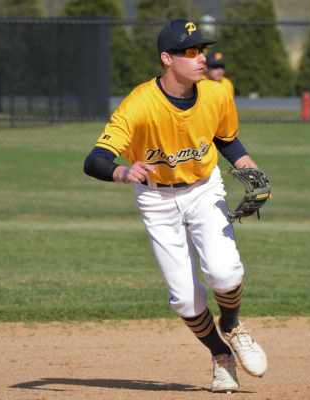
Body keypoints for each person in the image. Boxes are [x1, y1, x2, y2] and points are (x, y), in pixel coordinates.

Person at [83, 19, 267, 393]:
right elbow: (94, 159)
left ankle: (231, 325)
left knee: (224, 273)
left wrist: (249, 167)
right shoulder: (139, 104)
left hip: (203, 187)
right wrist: (122, 171)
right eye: (189, 52)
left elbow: (226, 140)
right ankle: (220, 354)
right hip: (156, 198)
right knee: (185, 297)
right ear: (167, 59)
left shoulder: (216, 94)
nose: (199, 58)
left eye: (200, 50)